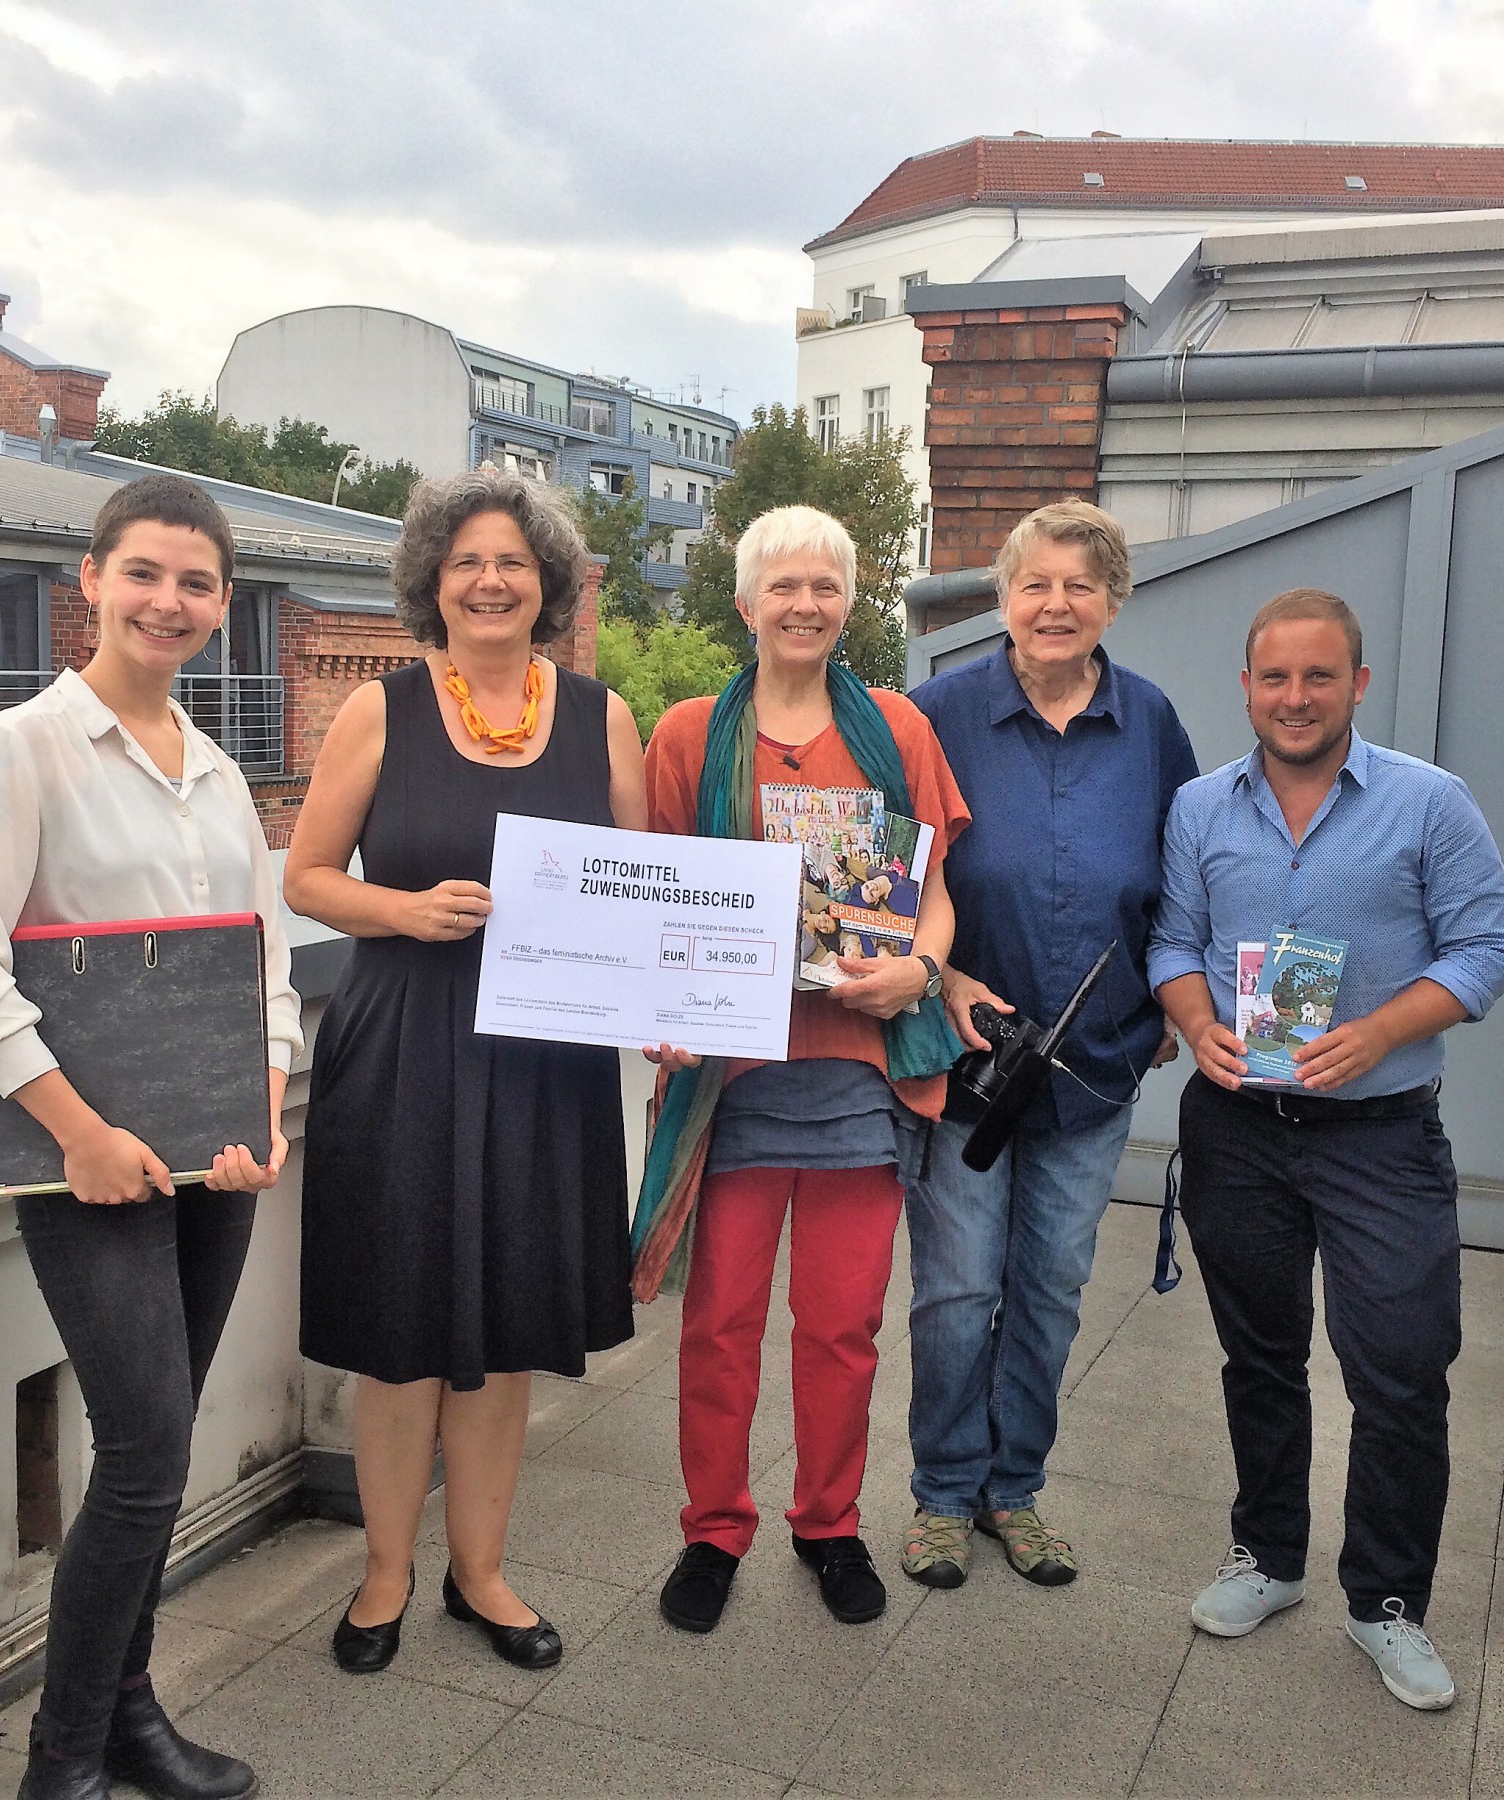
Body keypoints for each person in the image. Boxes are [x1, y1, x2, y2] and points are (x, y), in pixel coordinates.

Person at [0, 473, 296, 1800]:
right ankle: (62, 1761)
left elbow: (266, 968)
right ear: (91, 578)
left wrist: (265, 1099)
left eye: (196, 583)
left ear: (223, 605)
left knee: (162, 1447)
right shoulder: (20, 750)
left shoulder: (221, 777)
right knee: (142, 1457)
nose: (168, 602)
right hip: (84, 1165)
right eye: (143, 573)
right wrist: (76, 1133)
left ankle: (129, 1719)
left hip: (216, 1164)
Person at [284, 468, 643, 1676]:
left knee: (509, 1327)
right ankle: (385, 1575)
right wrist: (401, 909)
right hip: (406, 1046)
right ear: (432, 583)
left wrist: (676, 1000)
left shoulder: (603, 718)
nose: (490, 581)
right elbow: (307, 878)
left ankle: (478, 1574)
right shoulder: (380, 710)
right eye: (466, 564)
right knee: (405, 1331)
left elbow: (637, 895)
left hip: (545, 1060)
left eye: (513, 564)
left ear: (546, 587)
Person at [1147, 588, 1504, 1711]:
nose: (1295, 697)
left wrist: (1380, 1031)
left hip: (1381, 1135)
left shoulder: (1429, 804)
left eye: (1319, 677)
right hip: (1240, 1132)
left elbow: (1489, 947)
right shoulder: (1202, 808)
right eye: (1275, 678)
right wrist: (1195, 1020)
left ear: (1357, 684)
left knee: (1401, 1371)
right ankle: (1268, 1558)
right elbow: (1173, 937)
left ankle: (1387, 1601)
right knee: (1260, 1357)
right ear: (1248, 687)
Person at [638, 504, 970, 1635]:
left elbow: (932, 884)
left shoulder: (896, 730)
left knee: (841, 1327)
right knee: (720, 1322)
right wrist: (661, 1011)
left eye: (824, 586)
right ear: (745, 604)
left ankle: (829, 1522)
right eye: (782, 586)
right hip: (731, 1085)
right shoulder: (688, 733)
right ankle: (712, 1529)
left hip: (855, 1078)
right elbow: (654, 893)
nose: (804, 604)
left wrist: (920, 970)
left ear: (847, 603)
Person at [899, 500, 1198, 1590]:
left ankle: (1011, 1489)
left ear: (1113, 601)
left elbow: (1185, 872)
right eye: (1036, 584)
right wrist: (943, 975)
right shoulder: (934, 718)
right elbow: (890, 885)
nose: (1056, 604)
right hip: (967, 1062)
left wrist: (1175, 999)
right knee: (956, 1291)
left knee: (1051, 1289)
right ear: (1002, 598)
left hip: (1095, 1065)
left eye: (1080, 585)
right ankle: (941, 1493)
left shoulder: (1154, 723)